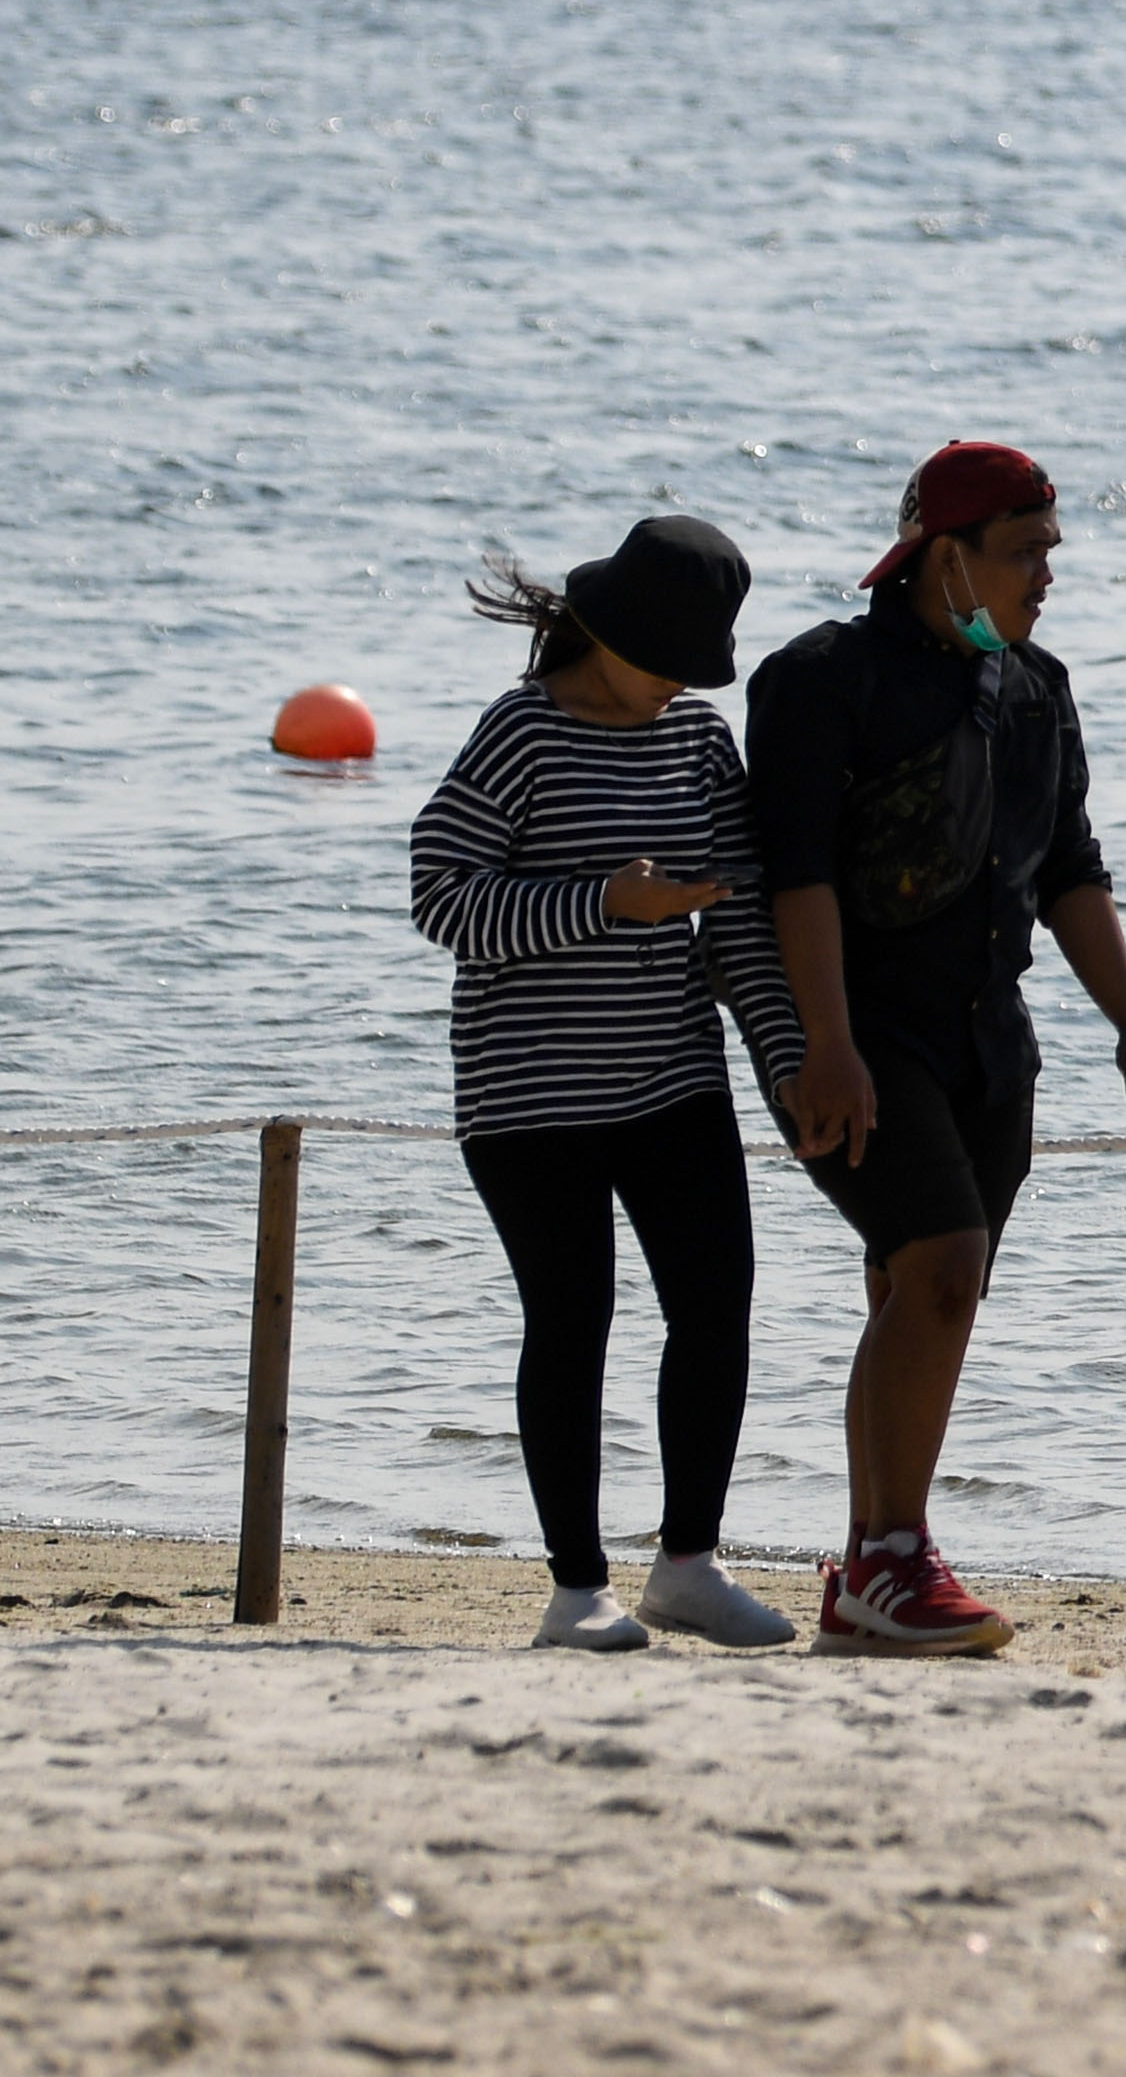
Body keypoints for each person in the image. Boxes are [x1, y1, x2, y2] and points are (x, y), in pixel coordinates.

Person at [748, 440, 1126, 1655]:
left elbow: (1073, 869)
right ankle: (895, 1553)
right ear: (946, 556)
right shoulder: (821, 677)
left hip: (990, 1038)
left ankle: (868, 1568)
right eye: (1025, 551)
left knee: (922, 1287)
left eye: (1052, 550)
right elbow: (796, 877)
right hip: (856, 1034)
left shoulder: (1036, 686)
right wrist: (824, 1044)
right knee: (940, 1262)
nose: (1048, 574)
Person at [409, 512, 812, 1654]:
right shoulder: (523, 731)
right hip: (526, 1093)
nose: (683, 684)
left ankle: (689, 1566)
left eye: (699, 666)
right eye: (668, 661)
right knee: (571, 1318)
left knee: (718, 1301)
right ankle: (575, 1590)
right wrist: (603, 903)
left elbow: (740, 926)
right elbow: (440, 895)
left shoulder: (699, 741)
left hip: (673, 1076)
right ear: (605, 633)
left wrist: (787, 1061)